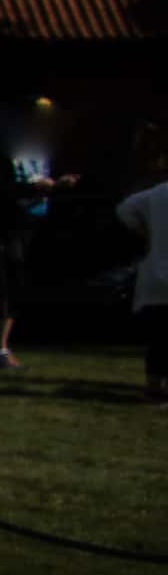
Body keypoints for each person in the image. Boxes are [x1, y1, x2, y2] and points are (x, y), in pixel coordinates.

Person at [0, 99, 72, 370]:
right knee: (5, 286)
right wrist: (40, 188)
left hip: (26, 223)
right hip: (1, 223)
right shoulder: (0, 149)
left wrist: (53, 187)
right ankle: (0, 349)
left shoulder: (37, 151)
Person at [118, 168, 168, 406]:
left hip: (157, 274)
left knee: (159, 336)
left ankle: (153, 388)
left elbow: (125, 209)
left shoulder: (159, 192)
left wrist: (147, 233)